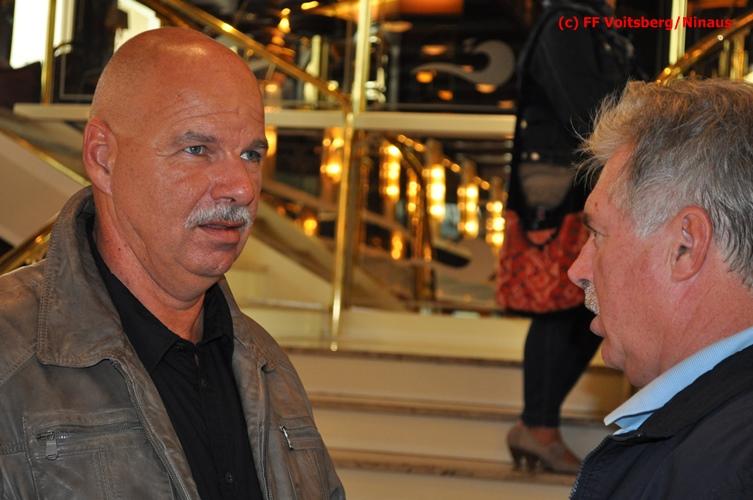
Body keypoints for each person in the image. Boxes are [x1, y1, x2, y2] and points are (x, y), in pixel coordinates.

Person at [0, 28, 344, 499]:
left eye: (251, 154)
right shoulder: (12, 354)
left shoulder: (267, 368)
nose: (241, 187)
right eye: (197, 149)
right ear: (103, 158)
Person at [568, 78, 753, 498]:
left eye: (598, 234)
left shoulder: (722, 471)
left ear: (685, 246)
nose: (576, 271)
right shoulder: (711, 439)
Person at [504, 0, 636, 473]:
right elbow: (585, 109)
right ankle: (537, 427)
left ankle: (536, 426)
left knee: (576, 305)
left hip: (575, 180)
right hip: (563, 184)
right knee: (563, 305)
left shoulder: (584, 21)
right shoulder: (568, 20)